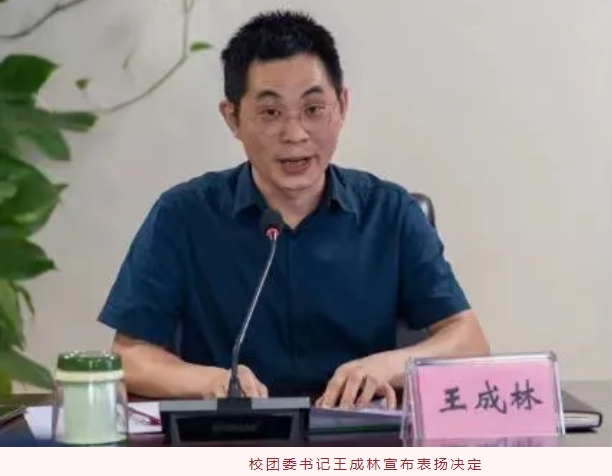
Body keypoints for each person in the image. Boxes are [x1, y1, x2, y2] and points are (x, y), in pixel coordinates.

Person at [98, 9, 490, 410]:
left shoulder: (390, 213)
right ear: (233, 118)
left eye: (313, 109)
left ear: (341, 106)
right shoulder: (183, 215)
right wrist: (211, 380)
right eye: (270, 113)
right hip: (231, 433)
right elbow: (128, 356)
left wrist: (386, 366)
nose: (295, 134)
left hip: (357, 434)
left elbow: (469, 340)